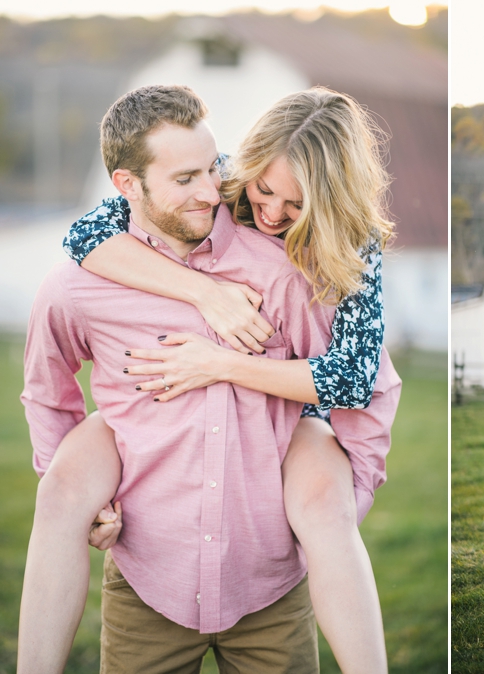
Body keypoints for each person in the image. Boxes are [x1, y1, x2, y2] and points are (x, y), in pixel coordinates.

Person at [18, 85, 400, 673]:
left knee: (325, 496)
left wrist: (355, 488)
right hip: (149, 579)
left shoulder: (307, 265)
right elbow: (49, 380)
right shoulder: (90, 274)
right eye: (263, 191)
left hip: (271, 570)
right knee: (64, 483)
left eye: (294, 204)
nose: (268, 212)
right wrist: (205, 291)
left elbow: (363, 381)